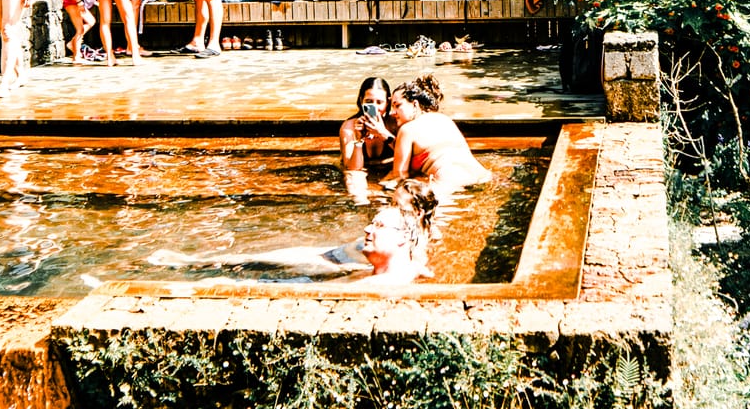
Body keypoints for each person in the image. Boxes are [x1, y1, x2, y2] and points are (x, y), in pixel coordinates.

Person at [147, 180, 438, 285]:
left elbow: (413, 265)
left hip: (334, 265)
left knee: (262, 272)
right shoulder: (395, 231)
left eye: (398, 204)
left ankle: (196, 271)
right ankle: (191, 263)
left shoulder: (410, 239)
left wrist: (352, 270)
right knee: (253, 258)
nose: (390, 207)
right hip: (330, 256)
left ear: (418, 212)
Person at [386, 75, 492, 198]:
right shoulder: (444, 119)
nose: (392, 112)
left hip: (449, 178)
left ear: (415, 104)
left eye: (397, 105)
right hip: (481, 175)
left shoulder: (407, 129)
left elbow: (400, 175)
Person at [339, 77, 394, 204]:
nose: (374, 107)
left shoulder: (393, 124)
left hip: (389, 170)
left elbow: (408, 155)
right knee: (354, 177)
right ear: (361, 101)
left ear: (387, 103)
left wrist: (382, 133)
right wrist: (359, 140)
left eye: (379, 102)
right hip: (360, 170)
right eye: (369, 102)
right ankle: (361, 207)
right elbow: (352, 167)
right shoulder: (349, 127)